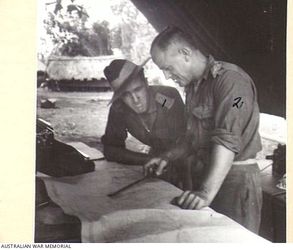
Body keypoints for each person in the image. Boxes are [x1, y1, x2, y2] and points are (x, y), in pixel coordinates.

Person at [145, 26, 263, 233]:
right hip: (208, 176)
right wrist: (168, 157)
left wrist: (205, 192)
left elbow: (227, 138)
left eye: (168, 68)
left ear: (185, 53)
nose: (166, 76)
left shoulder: (233, 82)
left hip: (235, 181)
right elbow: (192, 138)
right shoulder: (194, 87)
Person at [101, 59, 187, 187]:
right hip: (156, 162)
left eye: (138, 89)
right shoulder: (120, 109)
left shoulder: (163, 99)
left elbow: (189, 138)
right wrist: (148, 160)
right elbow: (111, 149)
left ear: (146, 83)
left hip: (187, 158)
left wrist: (167, 157)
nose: (135, 100)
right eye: (126, 95)